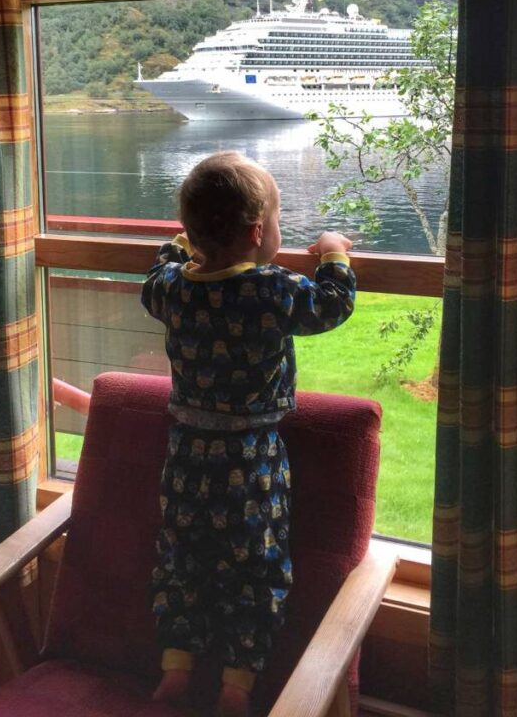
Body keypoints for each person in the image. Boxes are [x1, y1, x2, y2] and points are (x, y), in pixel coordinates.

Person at [141, 151, 355, 717]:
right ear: (259, 232)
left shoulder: (174, 288)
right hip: (252, 459)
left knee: (181, 561)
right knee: (257, 568)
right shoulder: (273, 291)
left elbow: (154, 277)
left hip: (185, 456)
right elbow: (332, 305)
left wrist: (179, 246)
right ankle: (237, 684)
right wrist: (333, 251)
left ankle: (176, 668)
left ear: (193, 231)